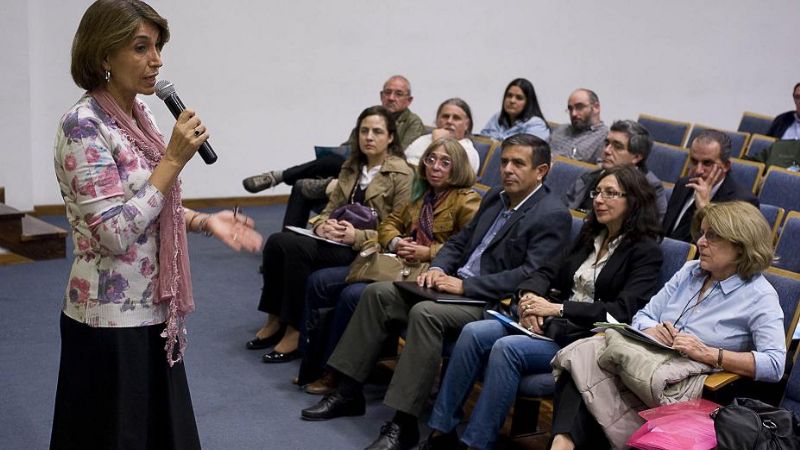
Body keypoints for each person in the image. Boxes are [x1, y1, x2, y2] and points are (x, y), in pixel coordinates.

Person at [50, 1, 263, 448]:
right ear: (104, 56)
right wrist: (172, 160)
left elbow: (147, 205)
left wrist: (205, 221)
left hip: (151, 312)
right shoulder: (83, 126)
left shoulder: (137, 116)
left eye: (159, 46)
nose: (157, 60)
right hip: (108, 323)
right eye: (141, 47)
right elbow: (113, 231)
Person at [300, 134, 571, 450]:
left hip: (490, 301)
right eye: (504, 161)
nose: (507, 169)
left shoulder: (552, 213)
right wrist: (439, 267)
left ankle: (403, 424)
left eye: (518, 163)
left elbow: (531, 273)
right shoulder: (496, 196)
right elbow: (459, 242)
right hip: (453, 285)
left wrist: (465, 285)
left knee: (425, 314)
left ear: (541, 171)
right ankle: (348, 390)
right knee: (377, 295)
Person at [421, 165, 664, 450]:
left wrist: (556, 308)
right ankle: (440, 432)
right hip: (548, 322)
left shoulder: (646, 252)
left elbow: (621, 312)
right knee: (474, 332)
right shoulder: (590, 235)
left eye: (610, 193)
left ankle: (476, 443)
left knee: (507, 349)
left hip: (583, 339)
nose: (598, 199)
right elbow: (545, 271)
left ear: (633, 201)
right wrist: (529, 299)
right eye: (597, 192)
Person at [548, 201, 785, 450]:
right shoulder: (689, 271)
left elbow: (775, 364)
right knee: (582, 361)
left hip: (684, 381)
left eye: (712, 236)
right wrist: (652, 329)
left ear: (740, 246)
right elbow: (643, 316)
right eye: (702, 233)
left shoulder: (760, 295)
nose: (701, 242)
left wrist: (710, 354)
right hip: (646, 359)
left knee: (585, 380)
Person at [298, 138, 481, 394]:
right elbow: (388, 224)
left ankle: (336, 374)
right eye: (430, 160)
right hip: (399, 264)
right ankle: (313, 363)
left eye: (444, 162)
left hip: (431, 277)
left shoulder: (467, 201)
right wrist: (396, 241)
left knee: (353, 294)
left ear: (458, 166)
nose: (435, 167)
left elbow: (470, 249)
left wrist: (427, 251)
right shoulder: (423, 196)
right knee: (322, 280)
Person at [247, 105, 414, 364]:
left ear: (390, 137)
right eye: (364, 130)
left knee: (296, 249)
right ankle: (275, 319)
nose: (369, 137)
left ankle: (295, 330)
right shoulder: (351, 166)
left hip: (367, 251)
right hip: (335, 240)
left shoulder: (401, 174)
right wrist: (321, 226)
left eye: (377, 132)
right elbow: (328, 210)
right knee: (278, 241)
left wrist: (356, 236)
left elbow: (397, 230)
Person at [244, 76, 424, 229]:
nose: (391, 98)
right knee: (302, 184)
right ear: (381, 95)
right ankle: (288, 246)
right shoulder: (369, 117)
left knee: (330, 162)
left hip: (382, 174)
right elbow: (349, 146)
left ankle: (280, 176)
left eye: (398, 94)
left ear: (409, 100)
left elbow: (402, 153)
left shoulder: (413, 123)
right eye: (387, 92)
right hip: (353, 169)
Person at [663, 129, 758, 243]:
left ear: (726, 166)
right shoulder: (683, 184)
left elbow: (726, 249)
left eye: (707, 163)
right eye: (694, 161)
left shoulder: (742, 201)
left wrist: (705, 209)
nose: (698, 170)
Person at [565, 120, 667, 220]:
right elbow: (565, 209)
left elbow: (648, 230)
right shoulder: (589, 176)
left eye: (617, 147)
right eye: (607, 143)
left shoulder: (650, 188)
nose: (607, 150)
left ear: (636, 157)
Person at [404, 98, 482, 173]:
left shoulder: (468, 151)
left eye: (456, 118)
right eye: (445, 116)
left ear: (467, 125)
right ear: (437, 120)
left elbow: (442, 175)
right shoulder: (423, 139)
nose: (449, 121)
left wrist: (439, 142)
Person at [549, 88, 609, 163]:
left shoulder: (605, 137)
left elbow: (599, 170)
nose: (573, 113)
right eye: (570, 109)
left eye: (579, 107)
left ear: (596, 107)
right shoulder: (560, 130)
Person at [480, 78, 550, 141]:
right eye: (509, 96)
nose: (512, 101)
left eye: (519, 98)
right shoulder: (497, 117)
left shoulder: (536, 124)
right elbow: (482, 140)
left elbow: (527, 151)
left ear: (528, 103)